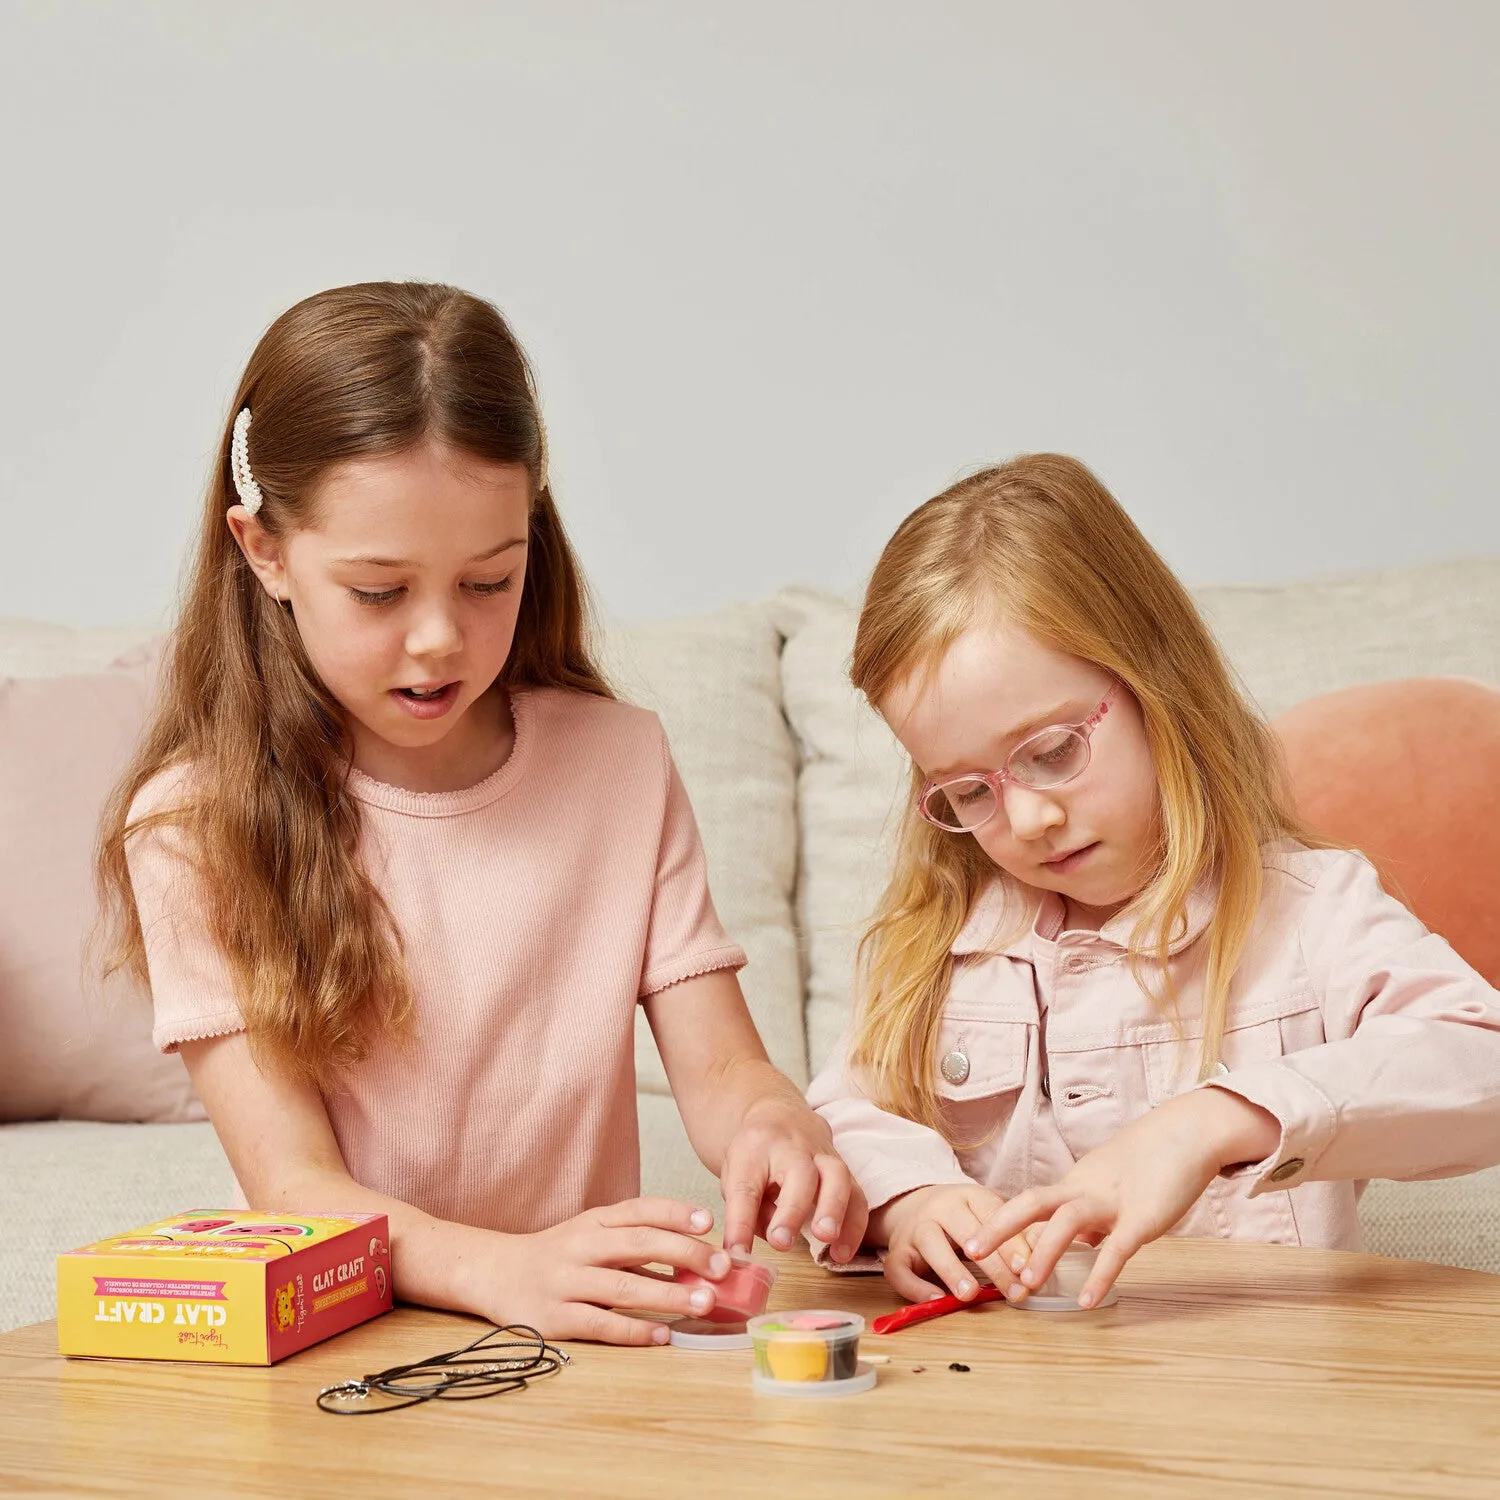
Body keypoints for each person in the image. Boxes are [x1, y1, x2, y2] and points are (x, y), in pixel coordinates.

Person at [97, 281, 865, 1346]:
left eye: (488, 581)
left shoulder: (619, 763)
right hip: (358, 1347)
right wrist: (507, 1272)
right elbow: (293, 1188)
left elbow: (724, 1068)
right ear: (263, 549)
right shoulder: (191, 827)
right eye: (378, 592)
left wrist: (778, 1126)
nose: (438, 642)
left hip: (585, 1335)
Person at [807, 453, 1500, 1311]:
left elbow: (1481, 1066)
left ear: (1152, 683)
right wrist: (911, 1199)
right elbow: (841, 1114)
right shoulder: (942, 943)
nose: (1026, 821)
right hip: (1009, 1401)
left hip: (1255, 1402)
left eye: (1053, 751)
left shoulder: (1309, 911)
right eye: (968, 792)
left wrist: (1218, 1119)